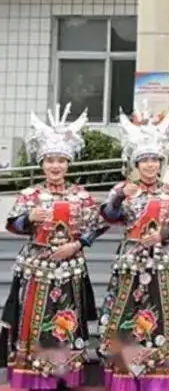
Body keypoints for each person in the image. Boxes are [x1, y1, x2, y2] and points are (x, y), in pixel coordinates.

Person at [2, 105, 106, 391]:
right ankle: (34, 375)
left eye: (61, 160)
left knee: (67, 318)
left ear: (68, 164)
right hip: (37, 268)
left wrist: (77, 244)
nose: (55, 166)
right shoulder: (30, 194)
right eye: (50, 160)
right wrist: (28, 218)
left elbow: (98, 225)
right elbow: (14, 225)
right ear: (42, 163)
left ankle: (64, 375)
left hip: (71, 268)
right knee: (34, 319)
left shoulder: (80, 195)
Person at [99, 110, 169, 391]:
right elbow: (108, 216)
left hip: (160, 261)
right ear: (136, 163)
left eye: (155, 159)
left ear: (161, 162)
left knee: (159, 312)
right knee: (125, 312)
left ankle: (157, 374)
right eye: (144, 160)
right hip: (130, 260)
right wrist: (119, 197)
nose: (150, 165)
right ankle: (123, 372)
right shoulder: (124, 189)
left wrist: (163, 235)